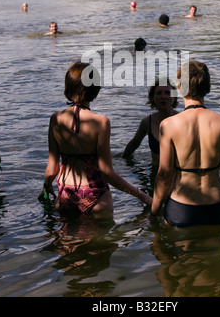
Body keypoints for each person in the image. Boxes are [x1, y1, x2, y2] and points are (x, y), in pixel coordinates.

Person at [38, 61, 152, 215]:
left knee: (66, 238)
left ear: (68, 86)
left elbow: (51, 170)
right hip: (96, 196)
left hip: (66, 195)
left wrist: (46, 187)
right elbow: (107, 172)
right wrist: (142, 195)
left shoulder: (55, 119)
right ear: (94, 88)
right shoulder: (100, 122)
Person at [151, 60, 220, 227]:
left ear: (179, 87)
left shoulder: (169, 125)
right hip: (215, 206)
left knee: (171, 249)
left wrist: (154, 211)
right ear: (207, 86)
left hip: (181, 206)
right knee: (216, 252)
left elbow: (164, 175)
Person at [122, 78, 178, 167]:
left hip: (180, 175)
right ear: (152, 97)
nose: (163, 96)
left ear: (174, 96)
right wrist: (121, 164)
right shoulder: (147, 122)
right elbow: (134, 144)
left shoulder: (184, 120)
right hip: (155, 175)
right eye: (159, 93)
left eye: (168, 93)